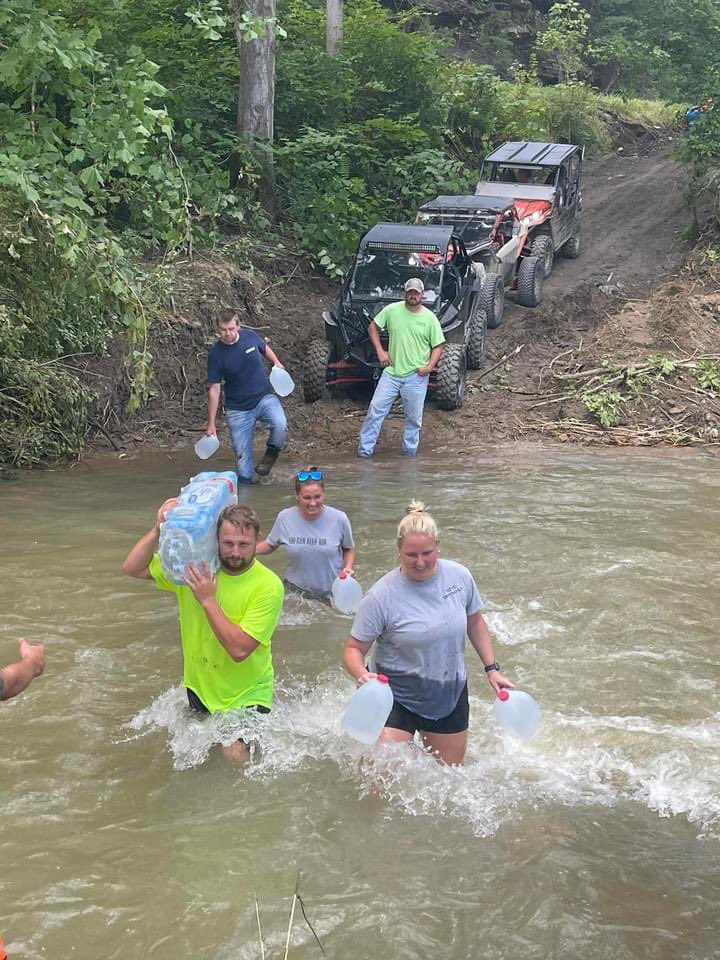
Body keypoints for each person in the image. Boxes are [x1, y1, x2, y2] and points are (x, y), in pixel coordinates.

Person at [342, 500, 513, 765]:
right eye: (411, 555)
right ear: (399, 551)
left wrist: (492, 669)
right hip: (395, 695)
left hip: (447, 691)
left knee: (448, 778)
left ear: (438, 547)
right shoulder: (380, 597)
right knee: (383, 776)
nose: (420, 562)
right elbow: (353, 648)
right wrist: (363, 675)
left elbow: (475, 622)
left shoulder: (460, 578)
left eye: (427, 553)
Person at [122, 502, 284, 763]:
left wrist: (208, 600)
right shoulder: (195, 571)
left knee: (233, 754)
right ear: (216, 540)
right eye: (228, 543)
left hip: (247, 691)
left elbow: (240, 649)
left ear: (257, 542)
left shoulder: (268, 586)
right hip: (200, 686)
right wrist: (157, 530)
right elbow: (132, 568)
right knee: (195, 756)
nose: (235, 552)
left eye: (244, 544)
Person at [358, 278, 445, 459]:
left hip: (416, 376)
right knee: (375, 411)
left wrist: (429, 367)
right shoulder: (392, 310)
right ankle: (364, 453)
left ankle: (409, 457)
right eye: (410, 292)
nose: (413, 296)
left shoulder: (430, 318)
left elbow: (438, 346)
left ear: (422, 294)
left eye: (416, 292)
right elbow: (372, 327)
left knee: (414, 419)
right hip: (391, 373)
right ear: (405, 293)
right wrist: (381, 352)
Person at [205, 308, 288, 483]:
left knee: (280, 425)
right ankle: (246, 494)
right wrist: (211, 423)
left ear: (238, 326)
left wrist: (277, 362)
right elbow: (214, 389)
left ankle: (270, 457)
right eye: (223, 330)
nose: (227, 334)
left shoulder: (250, 336)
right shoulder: (215, 355)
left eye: (231, 329)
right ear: (218, 329)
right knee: (243, 469)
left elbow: (264, 348)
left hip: (264, 397)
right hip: (238, 409)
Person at [256, 468, 356, 602]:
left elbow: (348, 548)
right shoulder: (285, 517)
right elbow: (270, 544)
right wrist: (248, 551)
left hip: (331, 592)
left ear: (324, 494)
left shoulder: (339, 518)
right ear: (297, 496)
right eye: (307, 498)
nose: (313, 503)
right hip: (294, 591)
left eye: (317, 497)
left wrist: (348, 567)